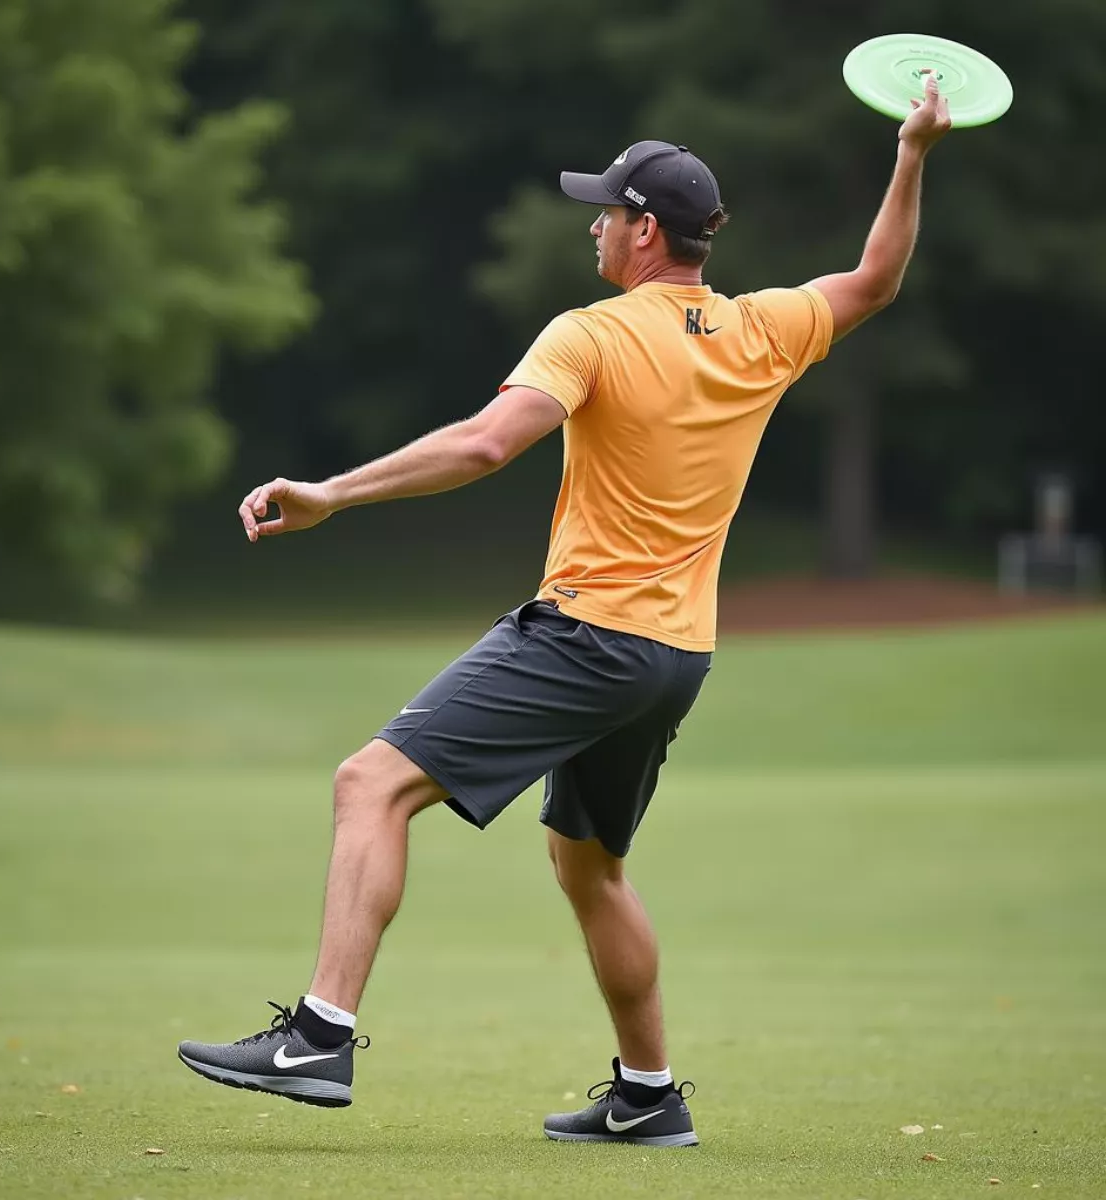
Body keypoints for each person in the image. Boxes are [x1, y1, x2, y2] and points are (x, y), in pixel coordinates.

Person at [178, 77, 952, 1147]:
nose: (593, 224)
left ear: (644, 231)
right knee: (589, 863)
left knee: (371, 784)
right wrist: (911, 155)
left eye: (605, 210)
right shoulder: (762, 329)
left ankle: (320, 1033)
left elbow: (485, 444)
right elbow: (875, 278)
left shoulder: (589, 334)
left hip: (589, 635)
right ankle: (648, 1095)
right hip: (677, 656)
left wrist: (333, 495)